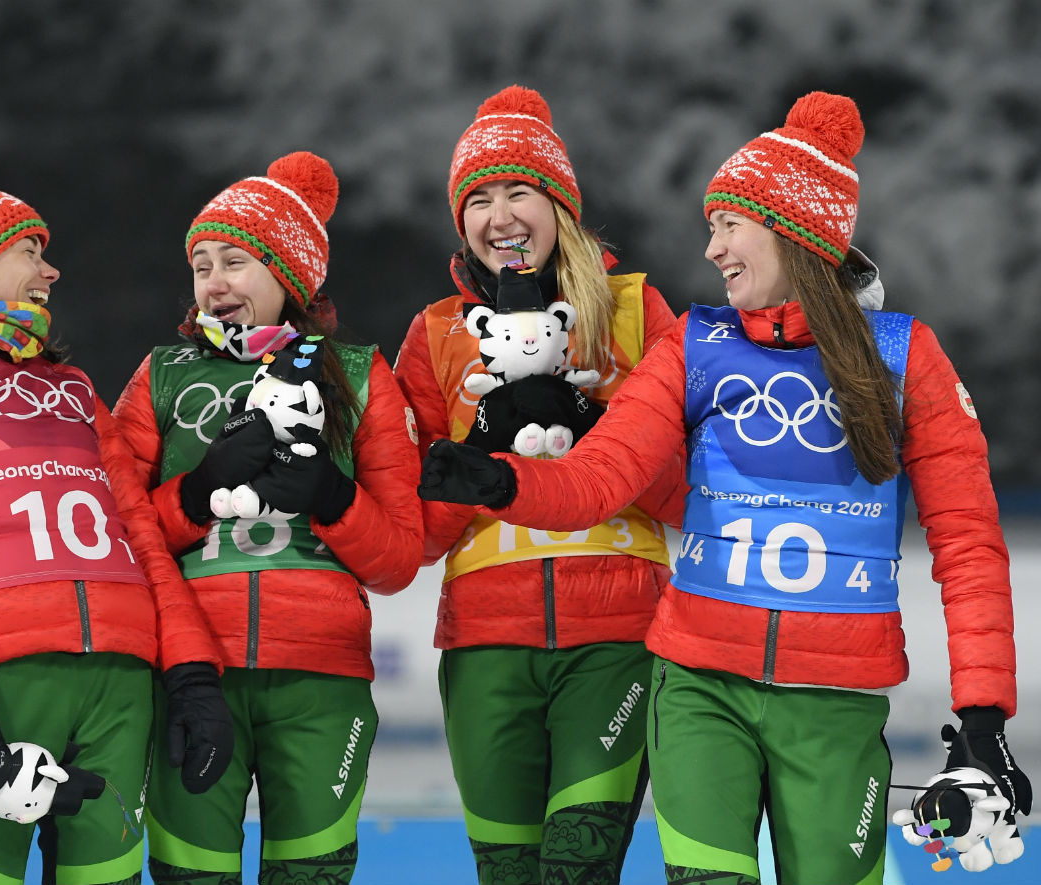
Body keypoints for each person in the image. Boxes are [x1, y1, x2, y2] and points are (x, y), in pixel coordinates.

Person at [418, 92, 1032, 883]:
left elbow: (970, 544)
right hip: (697, 688)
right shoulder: (695, 344)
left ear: (790, 229)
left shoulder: (905, 357)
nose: (712, 249)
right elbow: (600, 478)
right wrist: (498, 479)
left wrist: (983, 718)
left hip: (836, 702)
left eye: (728, 225)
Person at [0, 165, 234, 884]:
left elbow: (142, 541)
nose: (50, 270)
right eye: (31, 250)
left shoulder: (74, 387)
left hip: (121, 683)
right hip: (2, 683)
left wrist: (192, 675)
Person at [393, 84, 686, 885]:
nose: (501, 216)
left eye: (520, 190)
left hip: (618, 637)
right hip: (487, 644)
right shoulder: (434, 335)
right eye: (478, 199)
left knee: (575, 873)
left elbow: (692, 491)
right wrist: (481, 453)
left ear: (560, 203)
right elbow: (414, 533)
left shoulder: (633, 311)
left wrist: (597, 430)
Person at [112, 150, 423, 885]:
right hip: (194, 673)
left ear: (290, 275)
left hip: (322, 676)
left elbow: (400, 558)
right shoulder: (163, 373)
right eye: (201, 266)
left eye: (236, 262)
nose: (213, 283)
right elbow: (117, 535)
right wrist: (199, 491)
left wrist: (332, 496)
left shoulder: (357, 373)